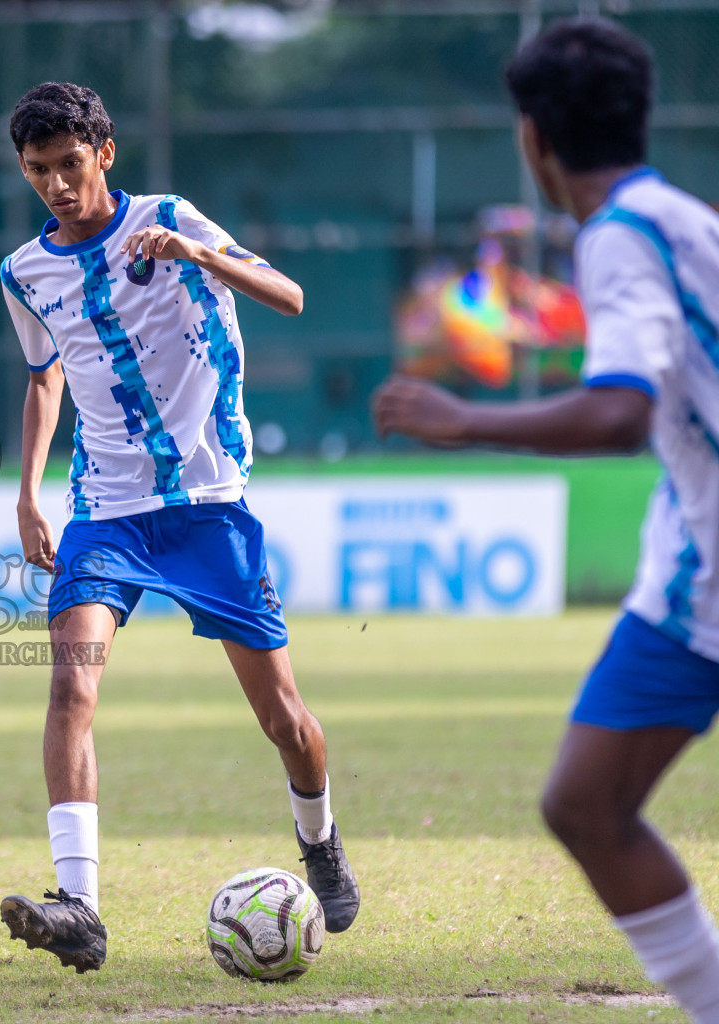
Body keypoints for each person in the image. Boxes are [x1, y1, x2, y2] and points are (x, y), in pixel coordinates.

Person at [374, 19, 719, 1022]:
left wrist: (460, 417)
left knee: (588, 804)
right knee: (583, 801)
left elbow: (620, 410)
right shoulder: (687, 218)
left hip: (710, 571)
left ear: (533, 138)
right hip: (688, 553)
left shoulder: (618, 236)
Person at [0, 82, 360, 974]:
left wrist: (199, 252)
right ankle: (79, 906)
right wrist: (29, 490)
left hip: (208, 507)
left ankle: (319, 839)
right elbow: (45, 377)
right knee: (70, 690)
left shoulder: (168, 218)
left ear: (104, 154)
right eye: (38, 170)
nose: (55, 184)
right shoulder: (22, 272)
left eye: (69, 164)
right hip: (104, 512)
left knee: (285, 719)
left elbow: (290, 295)